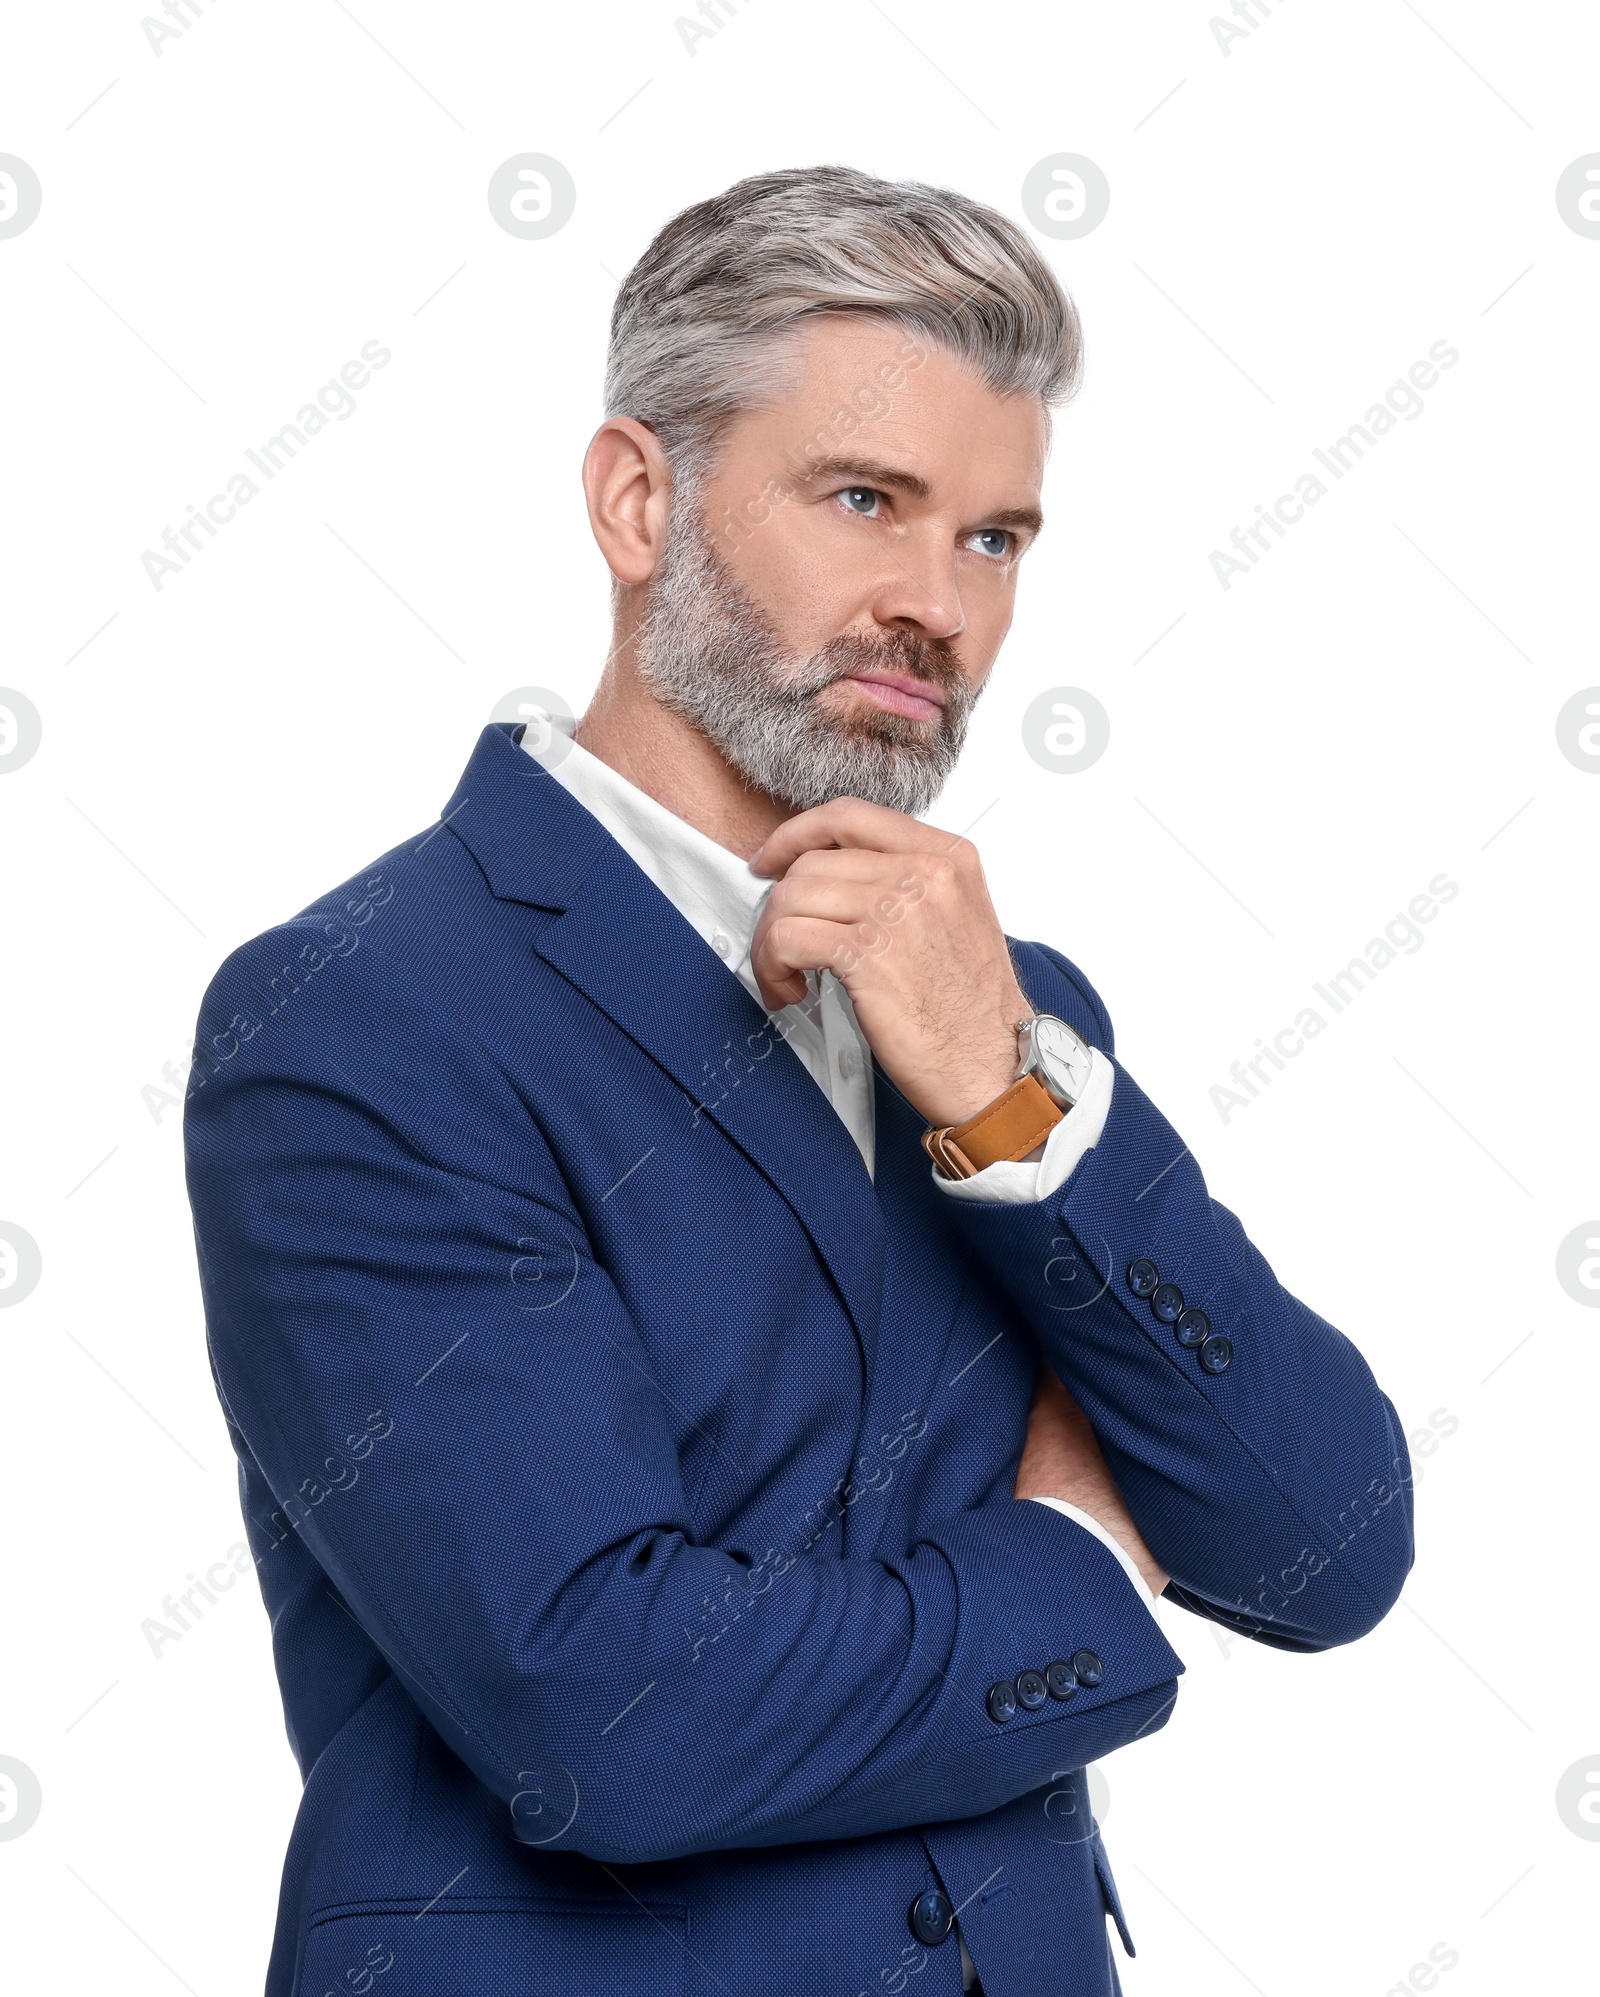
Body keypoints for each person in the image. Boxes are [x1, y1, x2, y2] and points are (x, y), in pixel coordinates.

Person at [184, 165, 1413, 1997]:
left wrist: (1013, 1110)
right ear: (635, 499)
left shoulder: (1003, 1008)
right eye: (866, 501)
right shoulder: (359, 1014)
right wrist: (1075, 1556)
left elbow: (1323, 1546)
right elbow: (610, 1709)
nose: (937, 606)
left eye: (996, 539)